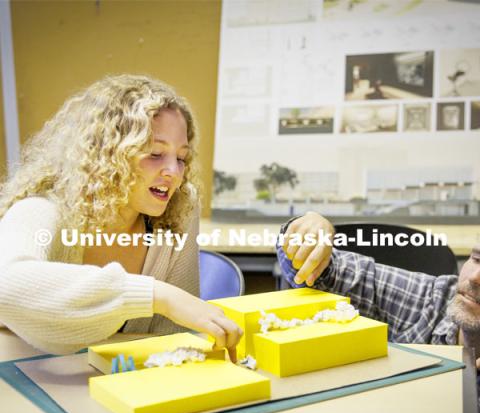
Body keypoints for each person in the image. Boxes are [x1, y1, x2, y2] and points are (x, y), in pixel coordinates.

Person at [0, 74, 242, 361]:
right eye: (155, 154)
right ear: (107, 154)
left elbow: (170, 339)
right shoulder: (42, 208)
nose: (174, 173)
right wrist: (156, 295)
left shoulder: (179, 207)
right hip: (28, 383)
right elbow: (6, 283)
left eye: (181, 158)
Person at [276, 211, 480, 366]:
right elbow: (327, 276)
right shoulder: (434, 300)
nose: (474, 277)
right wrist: (307, 233)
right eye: (477, 259)